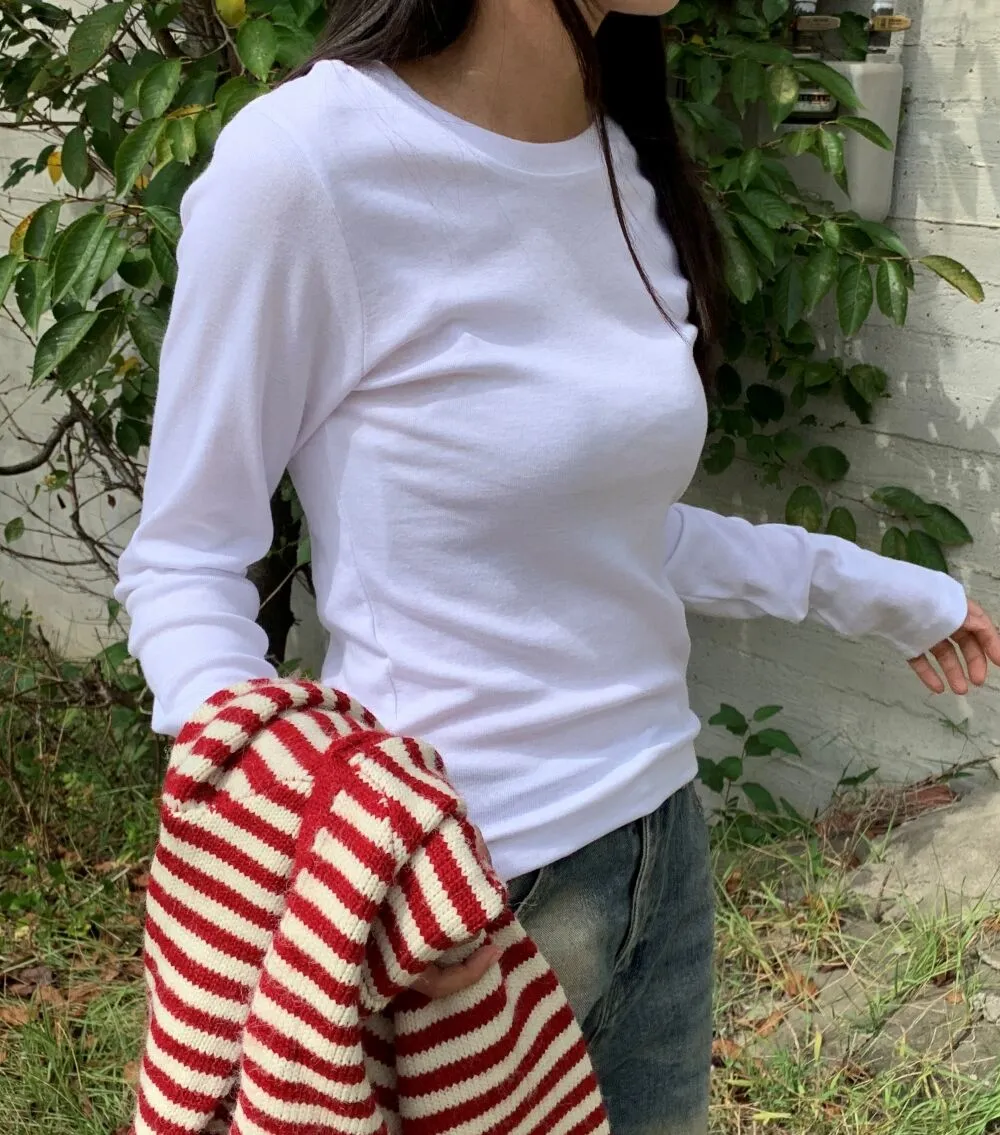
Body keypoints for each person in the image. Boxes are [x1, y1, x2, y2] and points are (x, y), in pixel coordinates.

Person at [115, 2, 1000, 1132]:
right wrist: (324, 831)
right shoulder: (304, 164)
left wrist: (890, 595)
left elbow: (614, 529)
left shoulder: (621, 160)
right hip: (452, 902)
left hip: (657, 847)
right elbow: (185, 560)